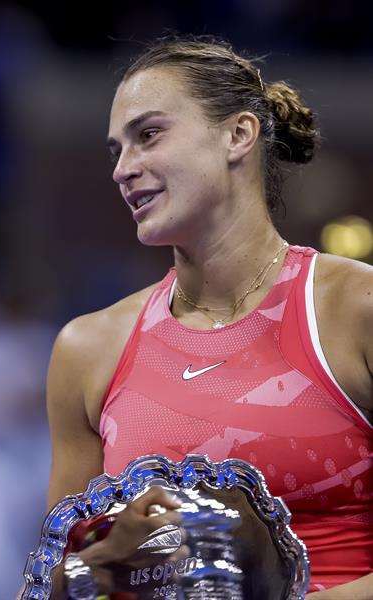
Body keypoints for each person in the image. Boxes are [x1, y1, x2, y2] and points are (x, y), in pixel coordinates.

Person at [46, 36, 372, 598]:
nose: (124, 169)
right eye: (115, 150)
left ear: (238, 135)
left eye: (148, 135)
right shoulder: (87, 348)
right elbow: (59, 575)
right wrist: (98, 570)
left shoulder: (355, 310)